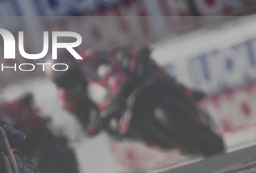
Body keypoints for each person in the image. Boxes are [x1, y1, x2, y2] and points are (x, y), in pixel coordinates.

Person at [46, 46, 204, 137]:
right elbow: (85, 127)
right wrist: (94, 123)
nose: (69, 82)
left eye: (70, 75)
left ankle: (183, 90)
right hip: (112, 110)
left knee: (146, 63)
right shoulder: (67, 100)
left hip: (123, 86)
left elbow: (115, 55)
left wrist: (128, 56)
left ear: (75, 66)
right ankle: (155, 137)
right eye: (63, 81)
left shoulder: (90, 57)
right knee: (121, 133)